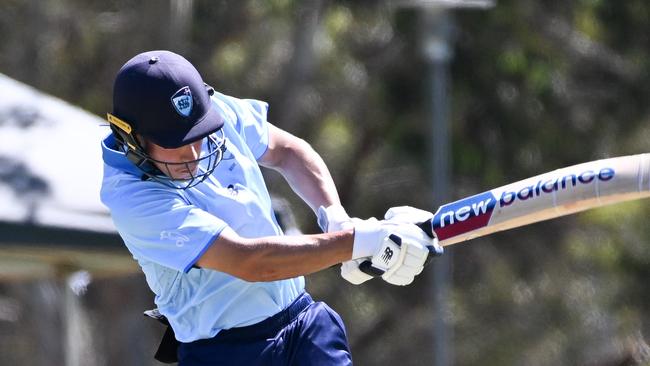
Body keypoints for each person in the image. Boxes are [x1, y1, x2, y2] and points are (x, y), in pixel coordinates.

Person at [100, 50, 443, 365]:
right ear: (131, 138)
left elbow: (286, 151)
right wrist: (357, 243)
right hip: (227, 353)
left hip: (303, 322)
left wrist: (336, 218)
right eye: (174, 144)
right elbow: (249, 262)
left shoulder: (212, 115)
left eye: (196, 135)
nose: (193, 154)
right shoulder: (130, 196)